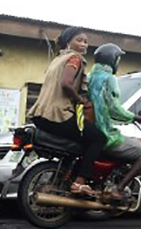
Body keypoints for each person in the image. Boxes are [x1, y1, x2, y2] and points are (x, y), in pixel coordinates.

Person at [27, 26, 107, 196]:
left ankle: (64, 177)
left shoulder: (57, 59)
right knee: (98, 138)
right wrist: (79, 99)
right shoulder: (74, 58)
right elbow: (66, 84)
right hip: (57, 115)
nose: (84, 44)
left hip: (40, 115)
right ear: (68, 42)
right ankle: (80, 182)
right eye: (79, 40)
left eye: (86, 42)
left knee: (80, 141)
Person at [87, 43, 141, 202]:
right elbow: (114, 109)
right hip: (104, 132)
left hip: (90, 129)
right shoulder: (109, 78)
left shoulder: (90, 76)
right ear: (112, 60)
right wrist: (140, 118)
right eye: (118, 59)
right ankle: (118, 189)